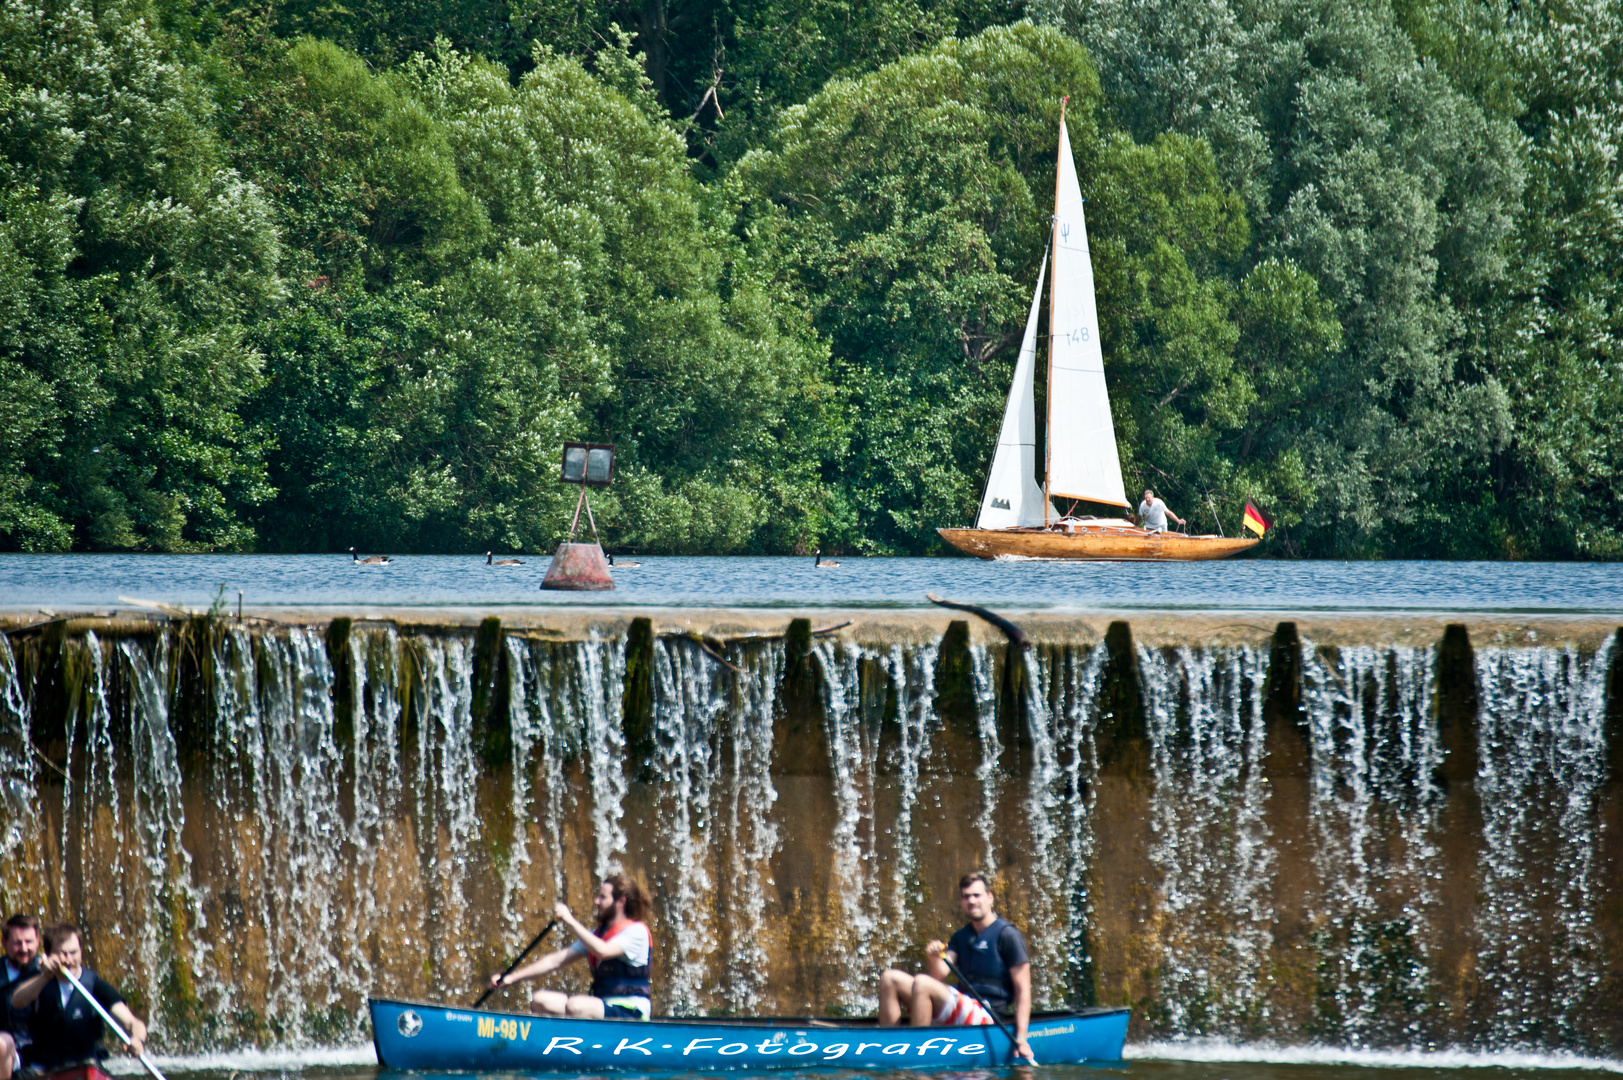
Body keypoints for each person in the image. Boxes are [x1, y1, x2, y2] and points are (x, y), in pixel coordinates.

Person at [876, 871, 1034, 1063]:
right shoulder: (961, 937)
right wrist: (934, 956)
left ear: (990, 897)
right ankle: (886, 1047)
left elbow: (1023, 990)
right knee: (889, 978)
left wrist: (1022, 1037)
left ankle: (916, 1056)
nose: (972, 901)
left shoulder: (1008, 935)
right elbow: (939, 974)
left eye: (977, 895)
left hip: (989, 1015)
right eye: (966, 897)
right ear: (961, 902)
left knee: (921, 982)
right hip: (962, 1008)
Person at [487, 875, 652, 1020]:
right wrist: (510, 978)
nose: (596, 901)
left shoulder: (637, 932)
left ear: (620, 902)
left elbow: (603, 951)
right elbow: (554, 961)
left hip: (631, 1012)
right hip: (601, 1007)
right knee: (540, 1000)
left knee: (577, 1006)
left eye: (602, 897)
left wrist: (570, 921)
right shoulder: (596, 934)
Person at [8, 923, 147, 1070]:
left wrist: (137, 1040)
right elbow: (17, 1001)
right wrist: (45, 976)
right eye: (62, 954)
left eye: (73, 952)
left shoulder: (95, 985)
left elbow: (132, 1022)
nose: (68, 960)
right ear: (49, 955)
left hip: (85, 1067)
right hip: (44, 1068)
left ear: (81, 951)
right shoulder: (39, 981)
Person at [0, 914, 41, 1080]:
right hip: (5, 1051)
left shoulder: (49, 972)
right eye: (17, 943)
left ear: (38, 941)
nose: (24, 949)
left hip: (40, 1053)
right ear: (4, 943)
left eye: (29, 942)